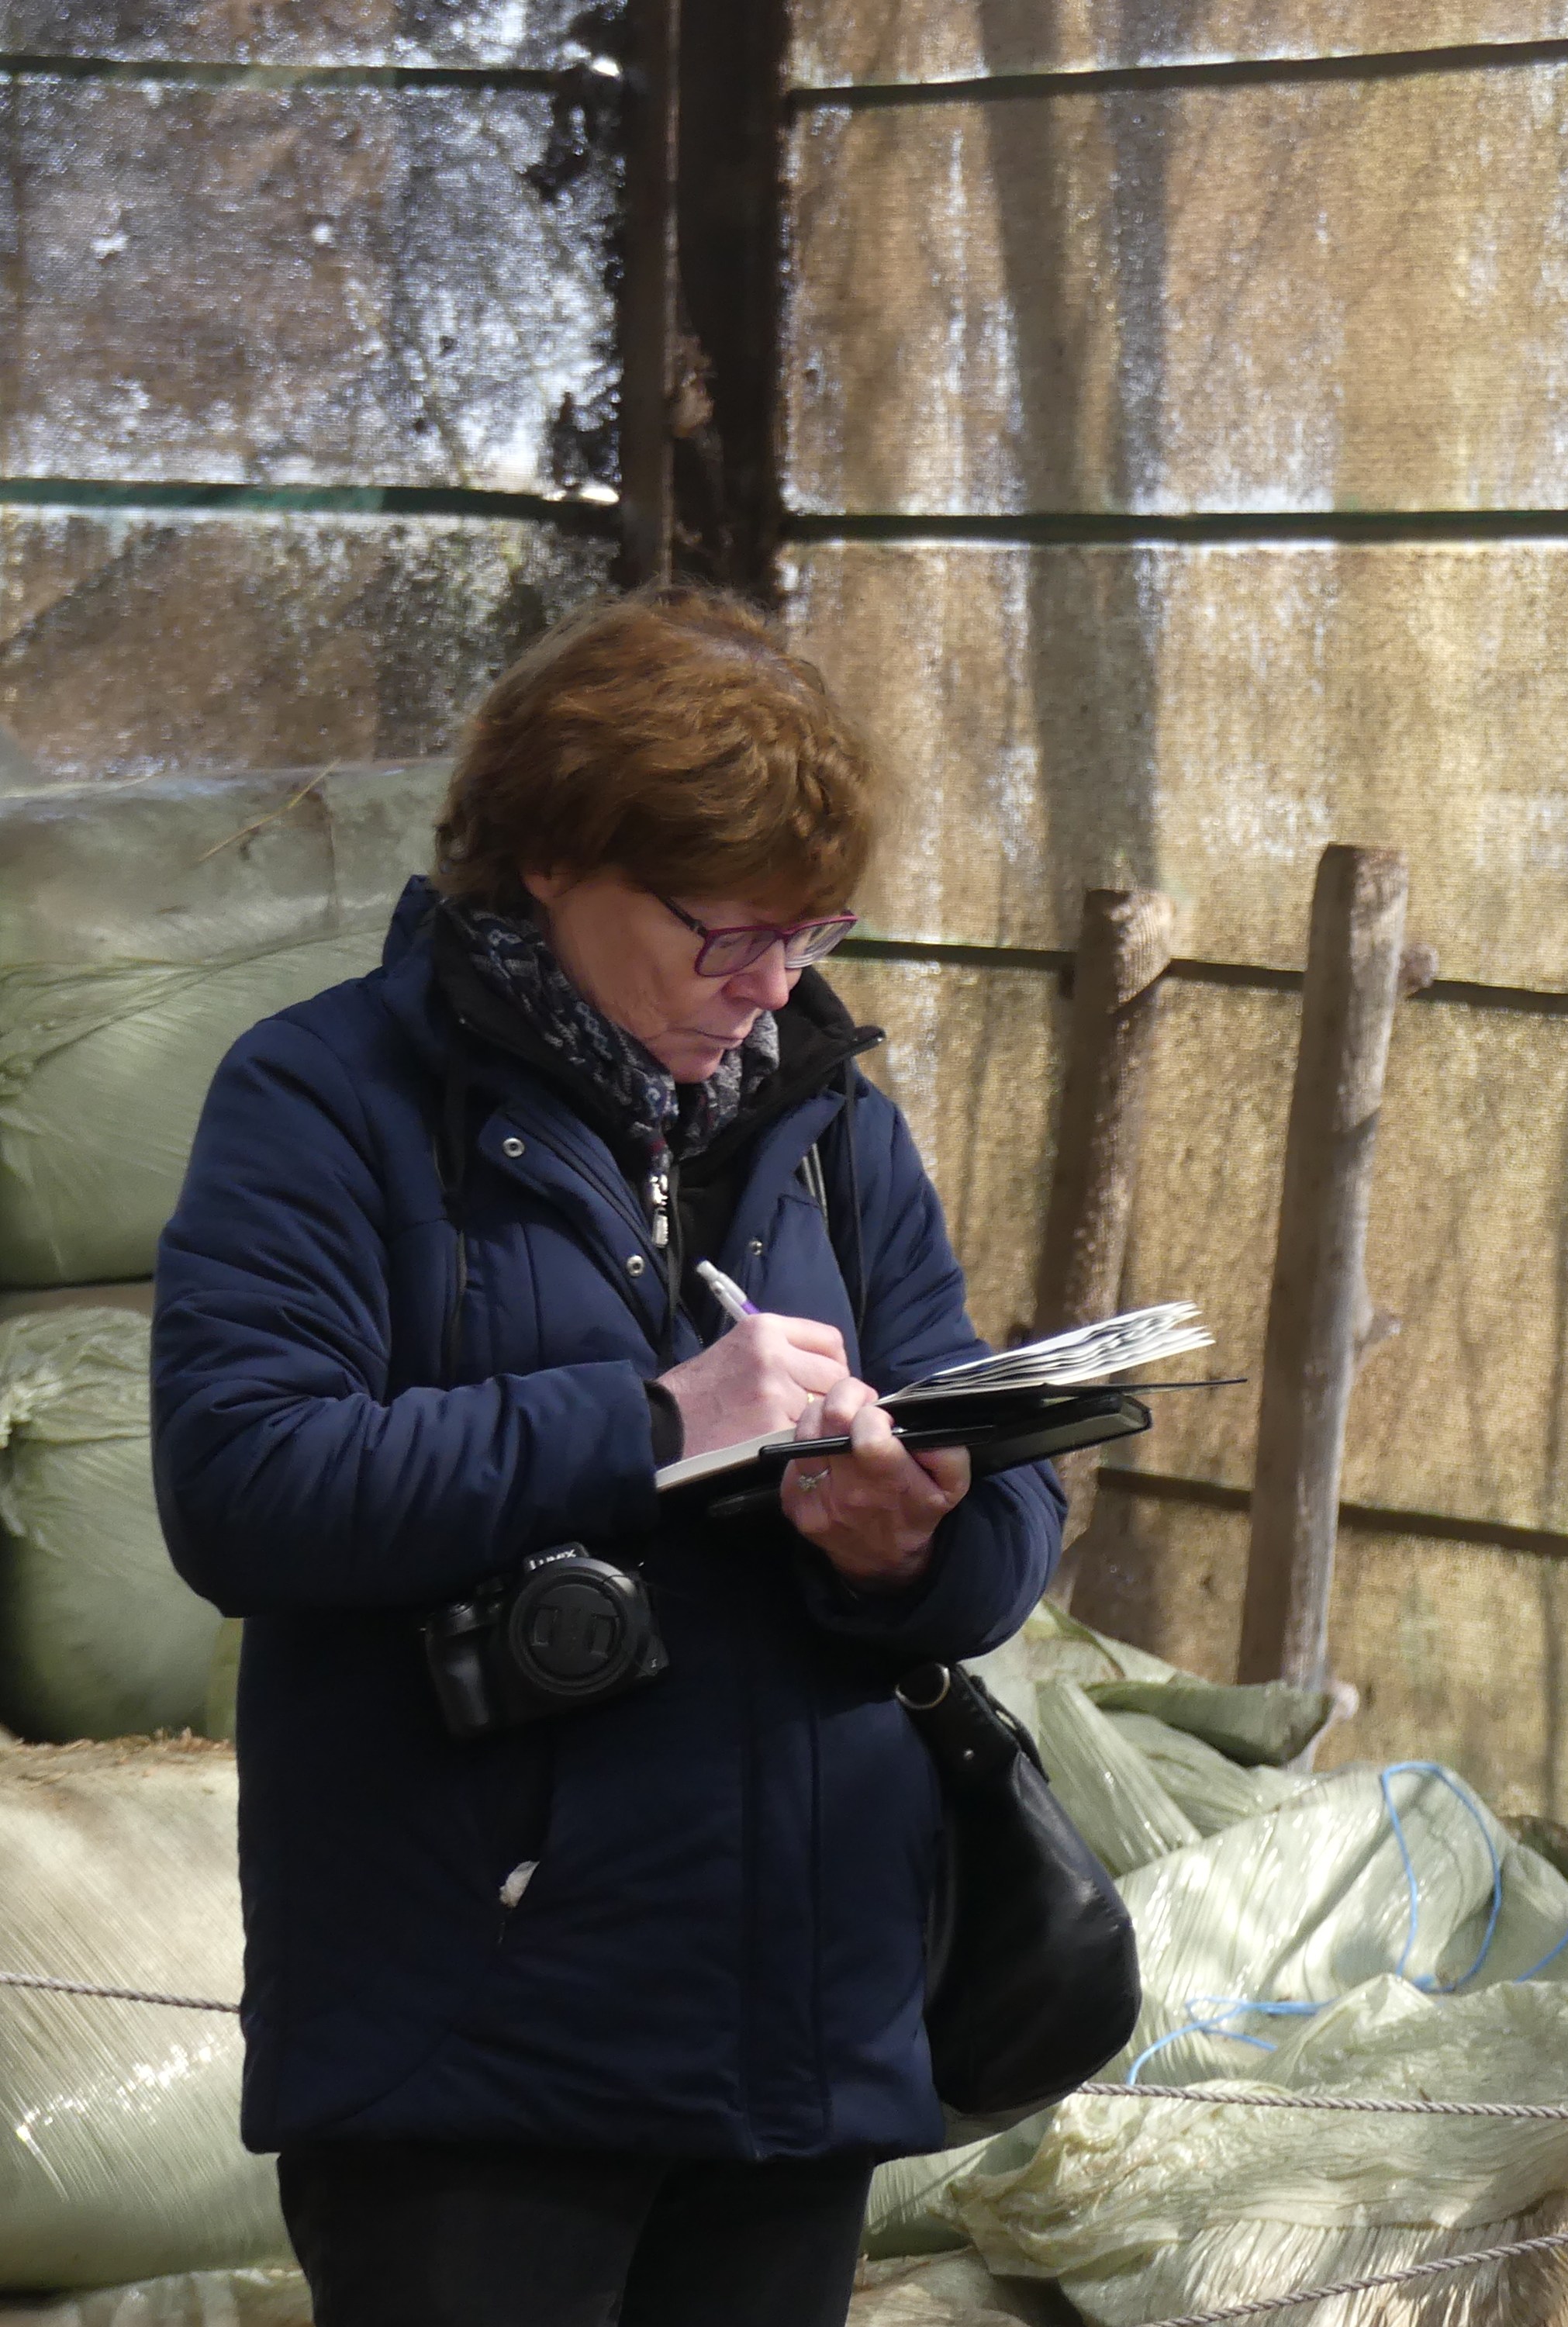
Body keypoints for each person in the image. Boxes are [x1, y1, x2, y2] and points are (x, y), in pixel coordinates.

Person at [150, 586, 1063, 2327]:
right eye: (726, 932)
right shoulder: (327, 1097)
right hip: (474, 2047)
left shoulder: (836, 1130)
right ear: (555, 853)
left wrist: (914, 1542)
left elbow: (1003, 1501)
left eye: (810, 932)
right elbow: (243, 1484)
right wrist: (653, 1424)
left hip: (798, 2040)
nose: (771, 985)